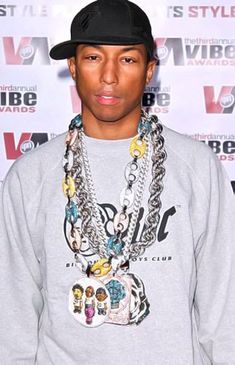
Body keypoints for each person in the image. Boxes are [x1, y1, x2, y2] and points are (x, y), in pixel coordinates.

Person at [0, 0, 235, 363]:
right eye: (94, 57)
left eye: (127, 59)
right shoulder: (29, 176)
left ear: (149, 71)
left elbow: (223, 314)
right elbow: (12, 321)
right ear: (73, 66)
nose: (109, 76)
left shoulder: (197, 168)